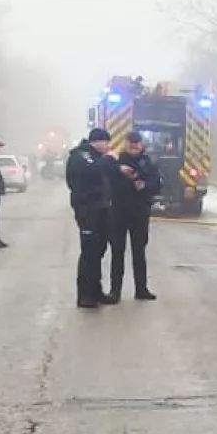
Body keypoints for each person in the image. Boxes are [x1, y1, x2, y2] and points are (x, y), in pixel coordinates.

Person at [107, 131, 161, 302]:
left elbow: (157, 185)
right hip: (118, 212)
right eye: (131, 142)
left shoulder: (148, 163)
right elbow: (107, 181)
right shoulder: (115, 162)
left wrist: (144, 185)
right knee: (117, 252)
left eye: (136, 143)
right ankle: (115, 291)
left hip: (140, 213)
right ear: (125, 143)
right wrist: (122, 174)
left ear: (141, 144)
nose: (133, 146)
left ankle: (141, 289)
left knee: (139, 252)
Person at [66, 127, 116, 308]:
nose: (108, 146)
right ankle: (85, 295)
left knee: (99, 250)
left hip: (101, 208)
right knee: (89, 252)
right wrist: (109, 159)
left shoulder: (96, 157)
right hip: (87, 209)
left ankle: (96, 291)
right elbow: (91, 171)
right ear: (98, 141)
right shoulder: (81, 155)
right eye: (106, 142)